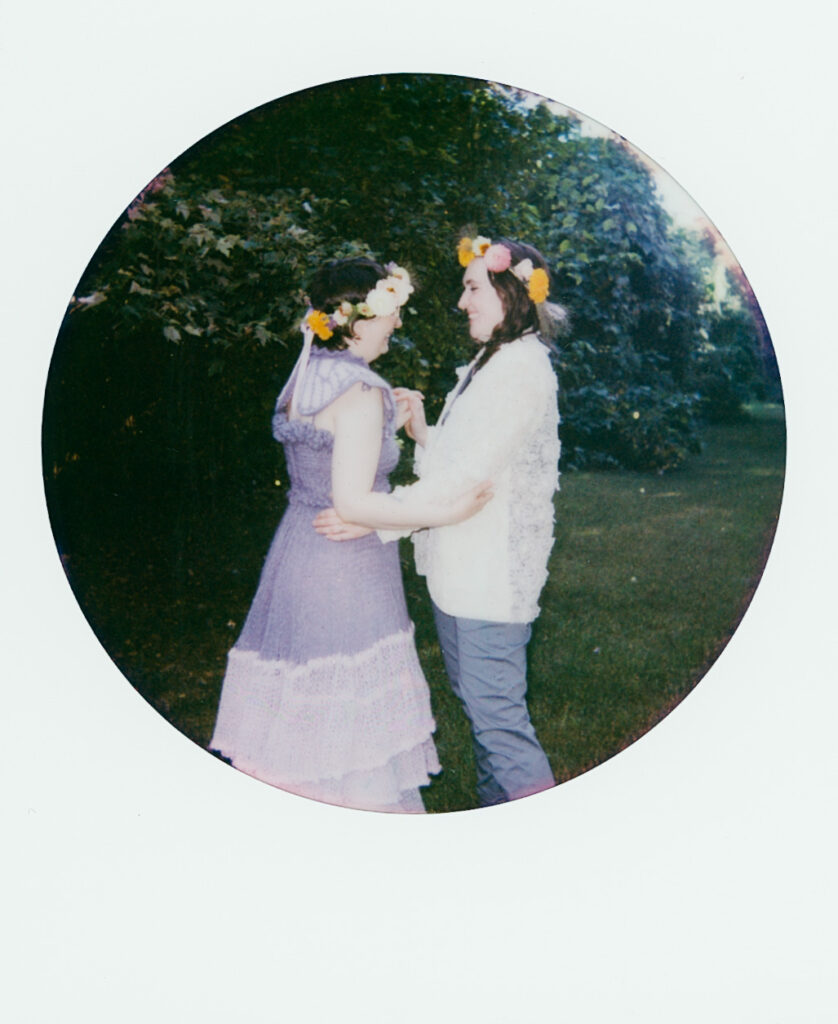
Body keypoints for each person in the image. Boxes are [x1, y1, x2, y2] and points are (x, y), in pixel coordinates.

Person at [209, 257, 492, 813]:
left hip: (297, 552)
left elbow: (331, 460)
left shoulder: (309, 373)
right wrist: (448, 511)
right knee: (350, 728)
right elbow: (354, 502)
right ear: (360, 320)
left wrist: (391, 427)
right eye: (393, 313)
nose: (398, 324)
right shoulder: (361, 390)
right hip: (345, 572)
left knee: (303, 724)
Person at [316, 235, 563, 807]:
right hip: (461, 573)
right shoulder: (494, 359)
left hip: (489, 580)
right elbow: (467, 459)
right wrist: (426, 433)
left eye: (472, 288)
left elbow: (465, 479)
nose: (461, 302)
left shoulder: (521, 371)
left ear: (510, 292)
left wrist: (373, 518)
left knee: (499, 723)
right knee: (482, 713)